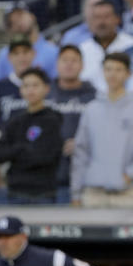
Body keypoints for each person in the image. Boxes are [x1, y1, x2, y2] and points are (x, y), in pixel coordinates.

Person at [71, 53, 133, 207]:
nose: (112, 74)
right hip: (93, 193)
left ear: (128, 73)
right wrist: (76, 192)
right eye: (108, 69)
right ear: (103, 72)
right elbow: (81, 152)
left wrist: (130, 175)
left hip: (129, 193)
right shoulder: (91, 109)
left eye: (118, 69)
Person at [0, 68, 63, 203]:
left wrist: (15, 152)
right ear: (20, 90)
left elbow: (45, 156)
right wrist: (22, 148)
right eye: (26, 86)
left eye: (35, 85)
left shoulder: (53, 120)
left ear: (46, 88)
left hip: (44, 192)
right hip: (16, 191)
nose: (30, 90)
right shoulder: (14, 121)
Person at [48, 45, 96, 204]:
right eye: (64, 60)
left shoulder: (94, 95)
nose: (69, 64)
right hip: (50, 173)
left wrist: (81, 142)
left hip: (86, 173)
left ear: (82, 65)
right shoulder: (45, 92)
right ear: (57, 64)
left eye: (74, 60)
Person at [0, 3, 59, 85]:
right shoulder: (5, 53)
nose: (18, 23)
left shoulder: (52, 51)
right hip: (12, 96)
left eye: (20, 16)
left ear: (32, 16)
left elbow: (59, 85)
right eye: (12, 22)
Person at [78, 0, 133, 94]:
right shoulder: (82, 50)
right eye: (97, 17)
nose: (101, 22)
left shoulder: (132, 45)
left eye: (106, 17)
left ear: (117, 19)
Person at [0, 35, 36, 129]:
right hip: (8, 141)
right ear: (9, 57)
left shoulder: (44, 85)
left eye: (25, 52)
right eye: (16, 53)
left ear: (33, 54)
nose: (21, 57)